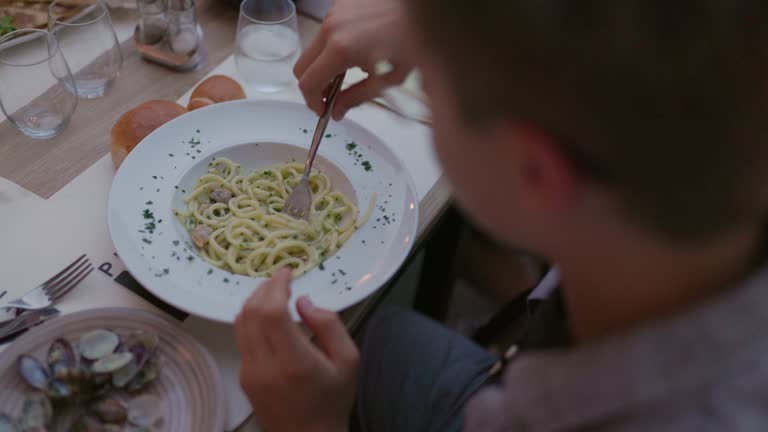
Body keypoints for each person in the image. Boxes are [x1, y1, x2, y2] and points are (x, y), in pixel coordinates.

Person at [234, 0, 768, 431]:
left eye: (433, 86)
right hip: (514, 371)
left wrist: (312, 426)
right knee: (380, 332)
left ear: (535, 174)